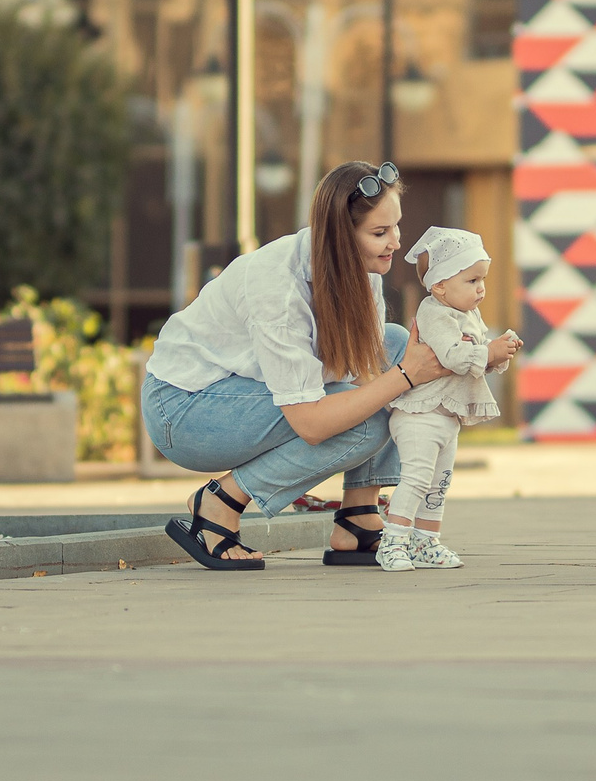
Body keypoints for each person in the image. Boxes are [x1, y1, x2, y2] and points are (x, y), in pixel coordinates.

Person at [143, 160, 448, 571]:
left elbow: (368, 374)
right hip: (184, 410)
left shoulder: (362, 273)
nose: (395, 242)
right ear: (341, 236)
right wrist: (407, 377)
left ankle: (358, 518)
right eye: (379, 233)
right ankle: (220, 501)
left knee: (394, 344)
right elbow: (311, 423)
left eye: (395, 227)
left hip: (246, 395)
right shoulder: (277, 287)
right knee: (375, 414)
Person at [378, 226, 518, 571]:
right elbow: (454, 357)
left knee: (439, 483)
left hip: (446, 416)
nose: (481, 288)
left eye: (482, 279)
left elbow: (473, 364)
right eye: (471, 281)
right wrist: (488, 351)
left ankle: (426, 541)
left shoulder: (468, 315)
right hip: (419, 415)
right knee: (416, 478)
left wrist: (497, 355)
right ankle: (393, 541)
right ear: (440, 285)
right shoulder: (434, 313)